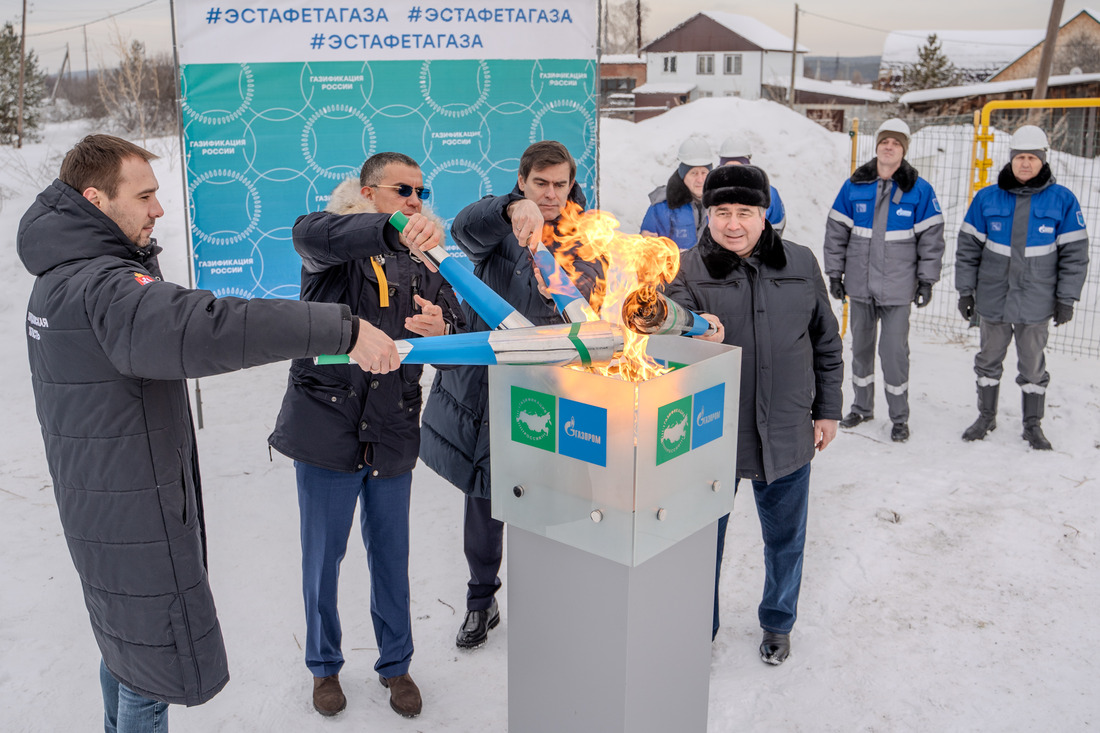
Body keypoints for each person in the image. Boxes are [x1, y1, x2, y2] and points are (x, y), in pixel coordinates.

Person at [17, 134, 402, 731]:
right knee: (151, 671)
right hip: (132, 514)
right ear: (95, 199)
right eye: (144, 196)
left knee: (126, 652)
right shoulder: (103, 286)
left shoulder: (62, 274)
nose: (158, 210)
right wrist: (341, 330)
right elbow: (207, 326)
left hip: (104, 505)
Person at [268, 152, 462, 718]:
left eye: (421, 192)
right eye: (403, 190)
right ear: (368, 191)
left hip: (393, 429)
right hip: (327, 428)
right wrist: (391, 228)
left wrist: (441, 323)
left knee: (391, 559)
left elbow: (454, 315)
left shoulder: (425, 257)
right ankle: (324, 667)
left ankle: (396, 665)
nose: (415, 201)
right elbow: (312, 234)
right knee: (322, 559)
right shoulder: (329, 241)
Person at [419, 141, 603, 650]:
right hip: (486, 393)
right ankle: (481, 601)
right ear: (522, 181)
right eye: (538, 184)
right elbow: (463, 228)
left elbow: (597, 311)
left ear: (571, 185)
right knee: (484, 501)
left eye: (558, 184)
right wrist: (507, 209)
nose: (549, 193)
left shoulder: (587, 240)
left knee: (550, 501)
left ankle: (549, 604)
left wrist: (567, 297)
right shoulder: (497, 231)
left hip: (550, 397)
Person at [664, 164, 842, 666]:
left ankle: (778, 622)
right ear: (708, 213)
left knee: (786, 540)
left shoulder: (802, 263)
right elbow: (666, 346)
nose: (733, 223)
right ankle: (702, 626)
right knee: (703, 542)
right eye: (723, 211)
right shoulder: (683, 268)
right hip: (712, 434)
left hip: (787, 427)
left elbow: (826, 342)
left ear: (765, 215)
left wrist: (827, 409)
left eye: (745, 211)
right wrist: (692, 333)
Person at [954, 125, 1089, 450]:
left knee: (1032, 364)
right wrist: (965, 291)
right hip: (993, 299)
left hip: (1036, 301)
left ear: (1043, 160)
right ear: (1011, 159)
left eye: (1031, 158)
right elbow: (967, 249)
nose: (1025, 164)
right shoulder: (987, 197)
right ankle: (986, 417)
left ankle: (1033, 425)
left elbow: (1075, 255)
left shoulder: (1063, 201)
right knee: (988, 360)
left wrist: (1066, 297)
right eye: (1020, 157)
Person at [823, 118, 945, 443]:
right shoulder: (854, 186)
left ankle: (899, 417)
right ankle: (861, 408)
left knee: (893, 353)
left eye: (896, 143)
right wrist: (835, 273)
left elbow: (932, 239)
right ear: (877, 146)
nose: (888, 147)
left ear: (904, 150)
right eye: (884, 142)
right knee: (860, 349)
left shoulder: (919, 190)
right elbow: (836, 232)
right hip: (861, 288)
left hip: (898, 289)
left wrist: (926, 280)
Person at [640, 136, 714, 250]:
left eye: (704, 172)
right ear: (683, 176)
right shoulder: (663, 207)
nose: (700, 180)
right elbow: (649, 253)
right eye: (693, 173)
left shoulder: (720, 204)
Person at [718, 135, 787, 236]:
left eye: (739, 168)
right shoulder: (711, 194)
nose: (733, 173)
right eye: (728, 168)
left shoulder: (769, 194)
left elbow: (777, 227)